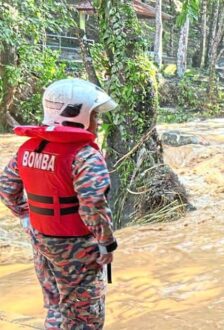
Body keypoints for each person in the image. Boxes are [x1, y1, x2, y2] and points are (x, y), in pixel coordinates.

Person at [0, 78, 118, 329]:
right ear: (77, 114)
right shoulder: (85, 155)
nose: (97, 122)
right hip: (77, 248)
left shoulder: (29, 148)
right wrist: (107, 242)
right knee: (85, 316)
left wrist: (25, 215)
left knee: (56, 306)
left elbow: (6, 188)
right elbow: (93, 204)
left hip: (41, 241)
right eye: (95, 115)